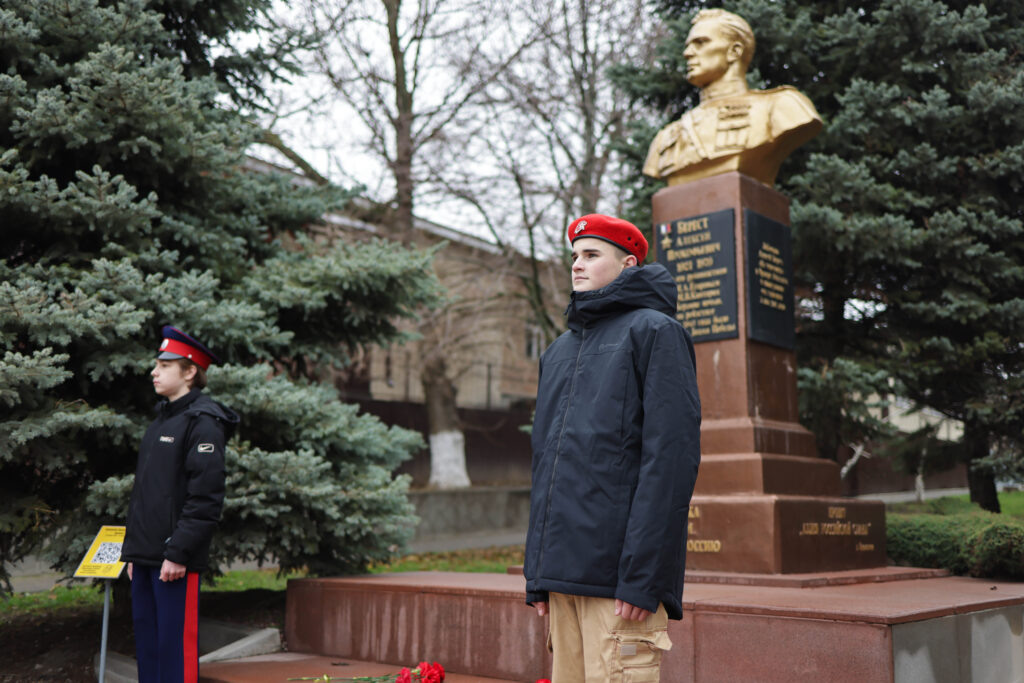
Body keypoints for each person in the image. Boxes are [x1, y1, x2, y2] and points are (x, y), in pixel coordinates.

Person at [524, 214, 701, 682]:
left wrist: (644, 575)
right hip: (563, 581)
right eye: (574, 257)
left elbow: (670, 461)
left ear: (627, 263)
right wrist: (537, 575)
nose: (577, 266)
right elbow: (546, 465)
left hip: (620, 583)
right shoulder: (559, 351)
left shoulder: (656, 332)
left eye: (591, 255)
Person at [121, 326, 239, 683]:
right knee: (149, 650)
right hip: (145, 558)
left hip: (174, 561)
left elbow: (204, 498)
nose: (154, 371)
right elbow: (148, 494)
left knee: (175, 653)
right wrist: (134, 554)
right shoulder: (162, 421)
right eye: (156, 364)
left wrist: (178, 553)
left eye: (164, 365)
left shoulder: (204, 423)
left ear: (190, 371)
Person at [643, 8, 822, 187]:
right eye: (688, 45)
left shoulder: (782, 106)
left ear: (734, 51)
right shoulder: (665, 137)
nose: (688, 53)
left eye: (701, 42)